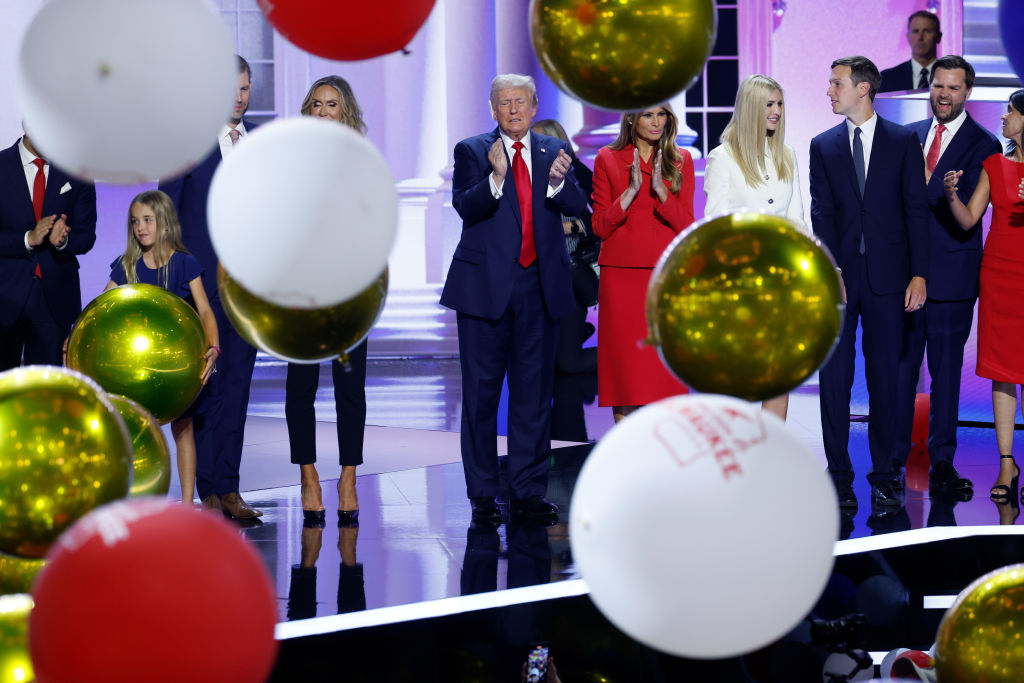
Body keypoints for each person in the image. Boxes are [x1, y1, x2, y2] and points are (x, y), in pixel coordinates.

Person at [441, 74, 587, 524]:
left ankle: (527, 490)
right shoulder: (472, 150)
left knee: (533, 398)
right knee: (482, 399)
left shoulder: (553, 151)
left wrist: (561, 186)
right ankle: (483, 495)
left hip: (537, 291)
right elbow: (465, 205)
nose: (514, 110)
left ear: (534, 104)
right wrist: (497, 178)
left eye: (521, 101)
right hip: (484, 293)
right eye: (504, 102)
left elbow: (580, 206)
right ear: (493, 109)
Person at [809, 56, 929, 511]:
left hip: (889, 277)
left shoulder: (902, 141)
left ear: (863, 89)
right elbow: (821, 213)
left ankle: (884, 474)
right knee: (834, 379)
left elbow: (915, 210)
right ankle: (838, 475)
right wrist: (831, 267)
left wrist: (920, 273)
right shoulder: (823, 145)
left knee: (885, 380)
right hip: (838, 278)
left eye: (836, 83)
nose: (829, 91)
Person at [158, 55, 262, 519]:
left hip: (248, 291)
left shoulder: (261, 142)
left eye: (244, 89)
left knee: (238, 388)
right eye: (230, 90)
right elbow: (167, 221)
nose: (238, 98)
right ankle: (207, 490)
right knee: (206, 389)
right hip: (200, 291)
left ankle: (230, 487)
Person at [895, 56, 1001, 500]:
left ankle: (942, 463)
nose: (943, 94)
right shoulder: (909, 135)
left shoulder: (984, 144)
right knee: (900, 369)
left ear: (967, 94)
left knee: (945, 373)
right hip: (904, 276)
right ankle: (892, 460)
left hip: (953, 280)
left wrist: (935, 186)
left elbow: (964, 218)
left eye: (953, 88)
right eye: (938, 85)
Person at [286, 75, 370, 528]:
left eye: (331, 104)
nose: (322, 111)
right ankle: (308, 476)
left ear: (346, 113)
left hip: (351, 290)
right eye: (315, 104)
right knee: (301, 388)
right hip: (302, 289)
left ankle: (349, 478)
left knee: (349, 389)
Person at [104, 190, 219, 505]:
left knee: (184, 430)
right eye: (135, 222)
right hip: (137, 366)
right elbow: (103, 307)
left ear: (164, 223)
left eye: (147, 220)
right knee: (132, 433)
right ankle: (133, 501)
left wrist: (214, 346)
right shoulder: (127, 264)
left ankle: (185, 504)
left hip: (176, 365)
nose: (140, 228)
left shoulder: (184, 263)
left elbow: (205, 310)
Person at [703, 74, 807, 420]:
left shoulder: (787, 154)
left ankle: (770, 456)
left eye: (779, 104)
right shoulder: (723, 158)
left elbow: (798, 219)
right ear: (750, 108)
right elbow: (714, 227)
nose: (776, 111)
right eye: (768, 104)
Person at [941, 89, 1024, 505]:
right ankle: (1007, 463)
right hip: (999, 275)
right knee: (1003, 369)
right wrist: (952, 195)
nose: (1004, 118)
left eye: (1010, 112)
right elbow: (971, 218)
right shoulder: (993, 164)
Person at [591, 104, 693, 422]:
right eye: (648, 115)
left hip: (664, 277)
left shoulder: (681, 160)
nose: (656, 122)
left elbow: (688, 226)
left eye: (662, 115)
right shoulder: (607, 158)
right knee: (625, 380)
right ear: (632, 117)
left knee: (664, 378)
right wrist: (631, 192)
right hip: (621, 278)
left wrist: (662, 193)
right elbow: (599, 226)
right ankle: (627, 462)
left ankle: (664, 462)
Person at [0, 130, 97, 370]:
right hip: (5, 298)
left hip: (55, 301)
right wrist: (27, 239)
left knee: (46, 393)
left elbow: (86, 236)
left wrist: (63, 240)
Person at [530, 118, 597, 375]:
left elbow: (588, 222)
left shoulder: (573, 177)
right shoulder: (529, 179)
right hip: (539, 278)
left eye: (540, 143)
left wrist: (560, 229)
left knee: (567, 363)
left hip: (567, 274)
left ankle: (630, 359)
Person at [879, 11, 942, 93]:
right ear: (908, 37)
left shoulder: (953, 77)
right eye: (915, 31)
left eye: (927, 31)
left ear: (938, 37)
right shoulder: (887, 79)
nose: (920, 37)